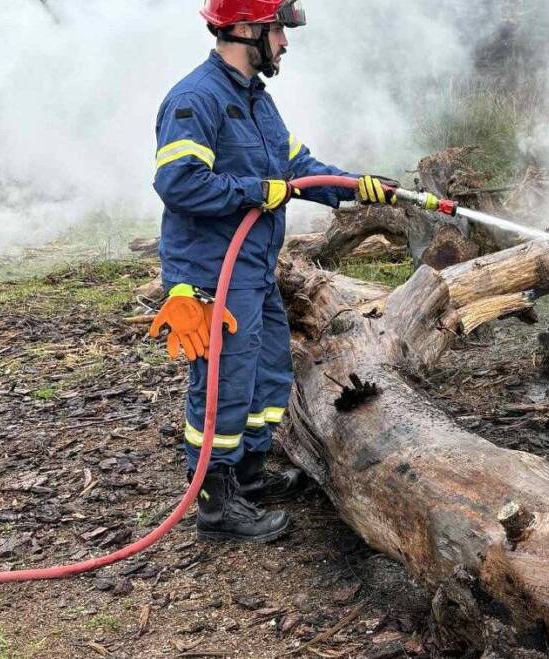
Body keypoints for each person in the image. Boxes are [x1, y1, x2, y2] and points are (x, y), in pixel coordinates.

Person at [149, 0, 396, 542]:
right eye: (277, 30)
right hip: (214, 273)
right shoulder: (197, 99)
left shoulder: (258, 102)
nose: (284, 42)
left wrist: (357, 185)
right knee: (223, 385)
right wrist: (257, 192)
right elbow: (180, 183)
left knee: (266, 374)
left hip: (254, 267)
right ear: (243, 29)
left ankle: (248, 475)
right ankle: (216, 503)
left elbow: (300, 169)